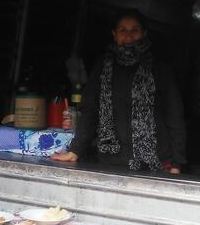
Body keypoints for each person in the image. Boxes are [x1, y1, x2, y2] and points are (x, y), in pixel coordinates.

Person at [51, 11, 186, 174]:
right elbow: (90, 110)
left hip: (155, 162)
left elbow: (175, 115)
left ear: (144, 34)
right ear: (114, 34)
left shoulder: (160, 68)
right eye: (122, 30)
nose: (128, 36)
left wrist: (176, 163)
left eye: (135, 30)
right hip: (111, 161)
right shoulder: (102, 66)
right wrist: (75, 150)